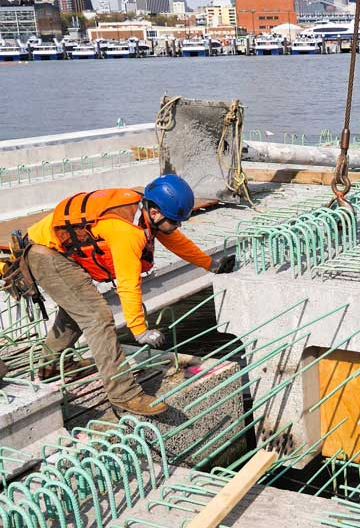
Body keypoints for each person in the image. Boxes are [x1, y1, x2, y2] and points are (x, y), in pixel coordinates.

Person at [24, 174, 236, 416]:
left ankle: (51, 367)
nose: (178, 226)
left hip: (51, 250)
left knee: (78, 310)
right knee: (97, 317)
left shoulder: (145, 211)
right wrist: (139, 330)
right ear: (155, 213)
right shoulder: (128, 231)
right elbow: (127, 284)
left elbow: (177, 241)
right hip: (45, 254)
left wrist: (211, 264)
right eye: (175, 221)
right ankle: (124, 394)